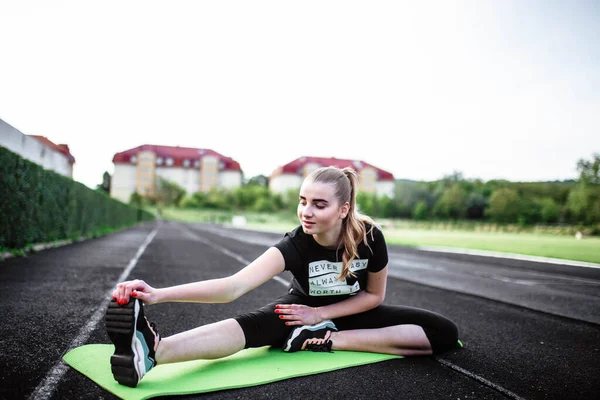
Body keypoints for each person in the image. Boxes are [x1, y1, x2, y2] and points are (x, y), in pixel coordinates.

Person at [105, 166, 460, 388]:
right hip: (299, 310)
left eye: (319, 204)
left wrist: (321, 320)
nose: (306, 211)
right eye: (303, 200)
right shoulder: (296, 243)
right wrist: (158, 294)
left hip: (346, 313)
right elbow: (233, 287)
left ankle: (320, 340)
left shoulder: (370, 237)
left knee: (442, 333)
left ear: (344, 209)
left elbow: (374, 297)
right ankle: (154, 352)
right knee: (255, 326)